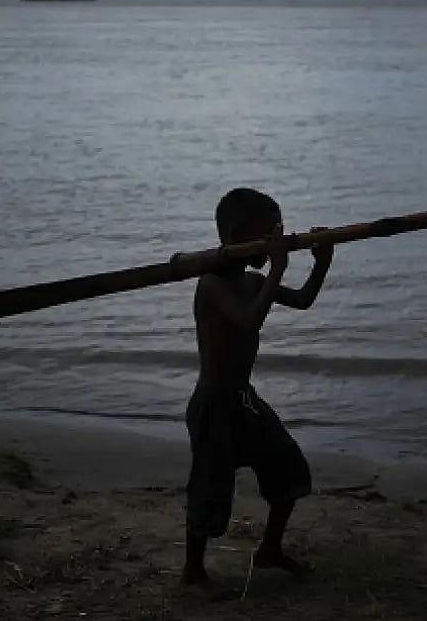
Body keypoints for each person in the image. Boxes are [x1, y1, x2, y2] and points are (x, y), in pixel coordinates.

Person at [181, 187, 334, 597]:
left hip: (243, 400)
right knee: (209, 488)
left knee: (288, 468)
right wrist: (279, 268)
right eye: (268, 234)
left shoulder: (252, 281)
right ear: (236, 236)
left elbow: (302, 300)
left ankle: (270, 549)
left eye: (278, 233)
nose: (275, 242)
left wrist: (322, 263)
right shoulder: (211, 284)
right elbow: (248, 321)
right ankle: (192, 573)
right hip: (214, 405)